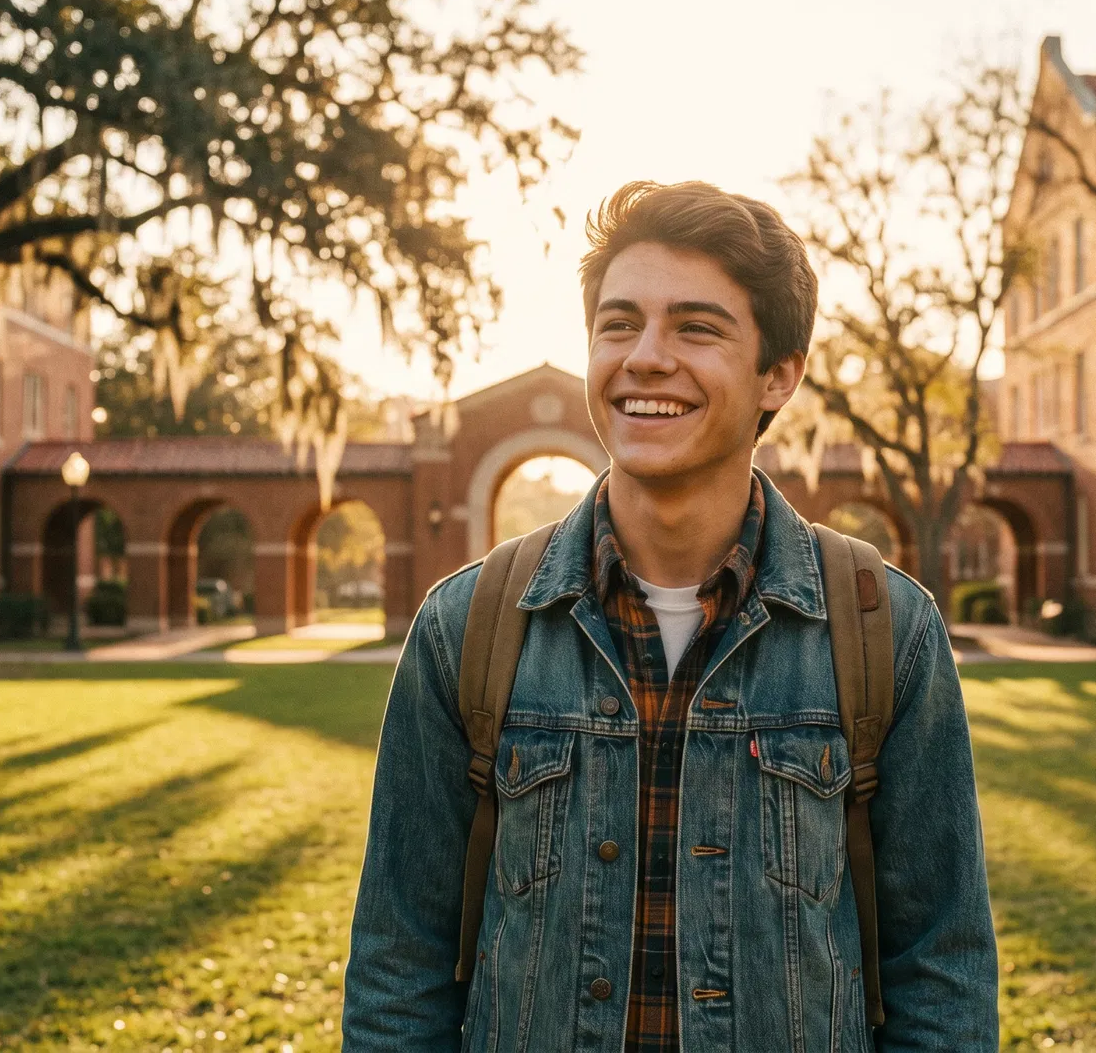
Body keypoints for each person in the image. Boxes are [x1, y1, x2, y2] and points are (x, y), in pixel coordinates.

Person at [341, 181, 998, 1051]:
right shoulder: (467, 627)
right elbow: (399, 968)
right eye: (619, 324)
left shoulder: (885, 632)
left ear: (779, 375)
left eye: (696, 327)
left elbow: (941, 974)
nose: (646, 357)